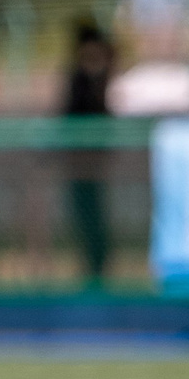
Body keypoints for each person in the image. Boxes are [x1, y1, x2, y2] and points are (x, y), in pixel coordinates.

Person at [62, 19, 115, 285]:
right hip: (78, 162)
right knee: (84, 217)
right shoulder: (76, 78)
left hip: (97, 162)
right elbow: (67, 114)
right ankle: (92, 270)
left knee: (97, 219)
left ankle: (99, 268)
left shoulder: (104, 78)